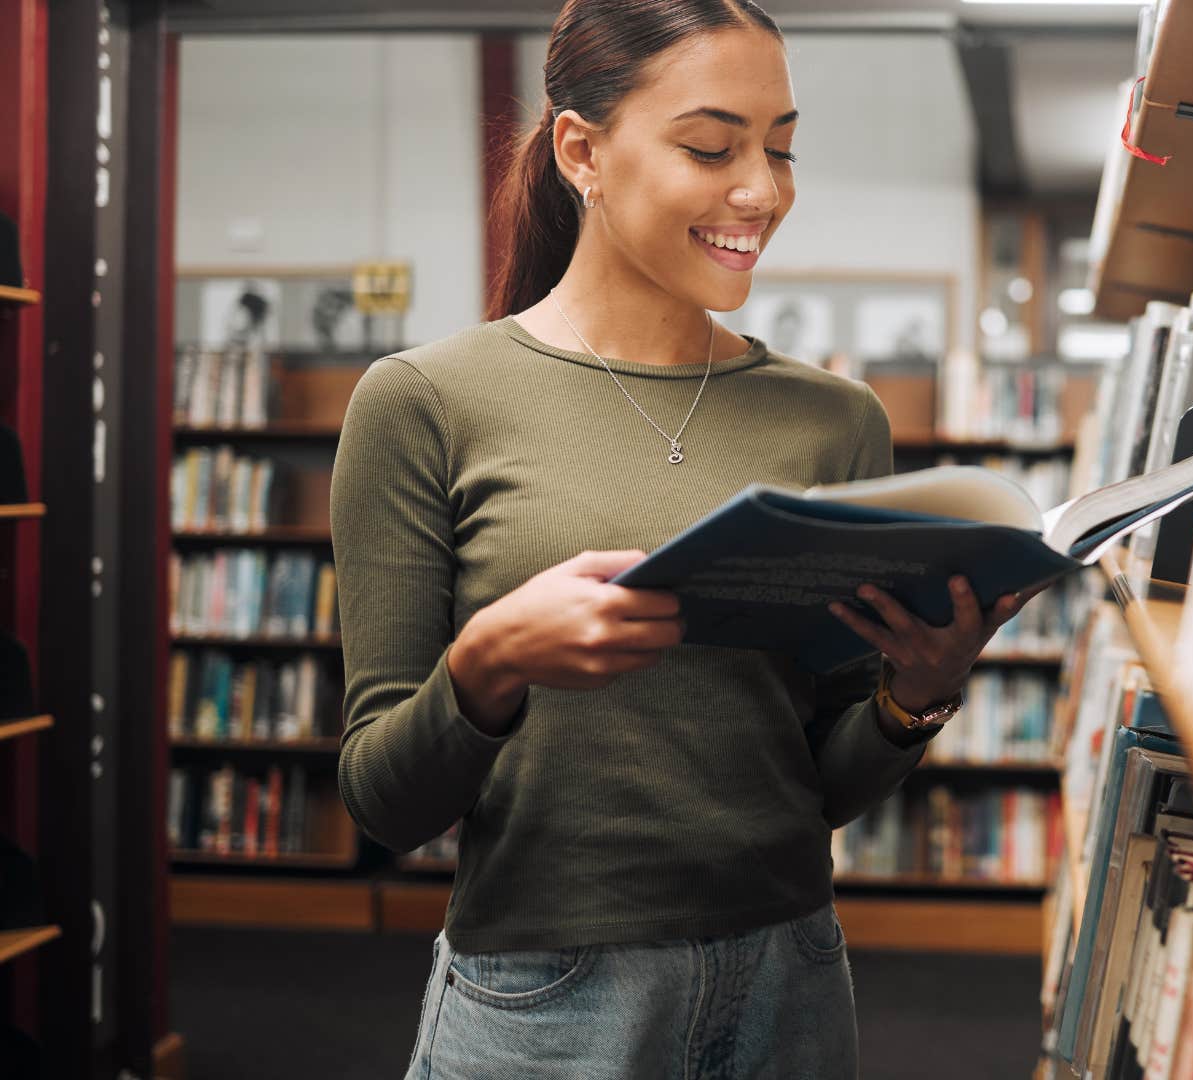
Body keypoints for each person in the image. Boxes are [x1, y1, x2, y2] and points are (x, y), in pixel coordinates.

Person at [328, 2, 1033, 1076]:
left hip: (791, 978)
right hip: (546, 995)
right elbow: (385, 797)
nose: (763, 189)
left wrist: (912, 698)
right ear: (583, 151)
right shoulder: (424, 401)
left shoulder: (835, 421)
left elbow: (817, 791)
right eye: (713, 146)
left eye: (781, 146)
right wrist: (490, 663)